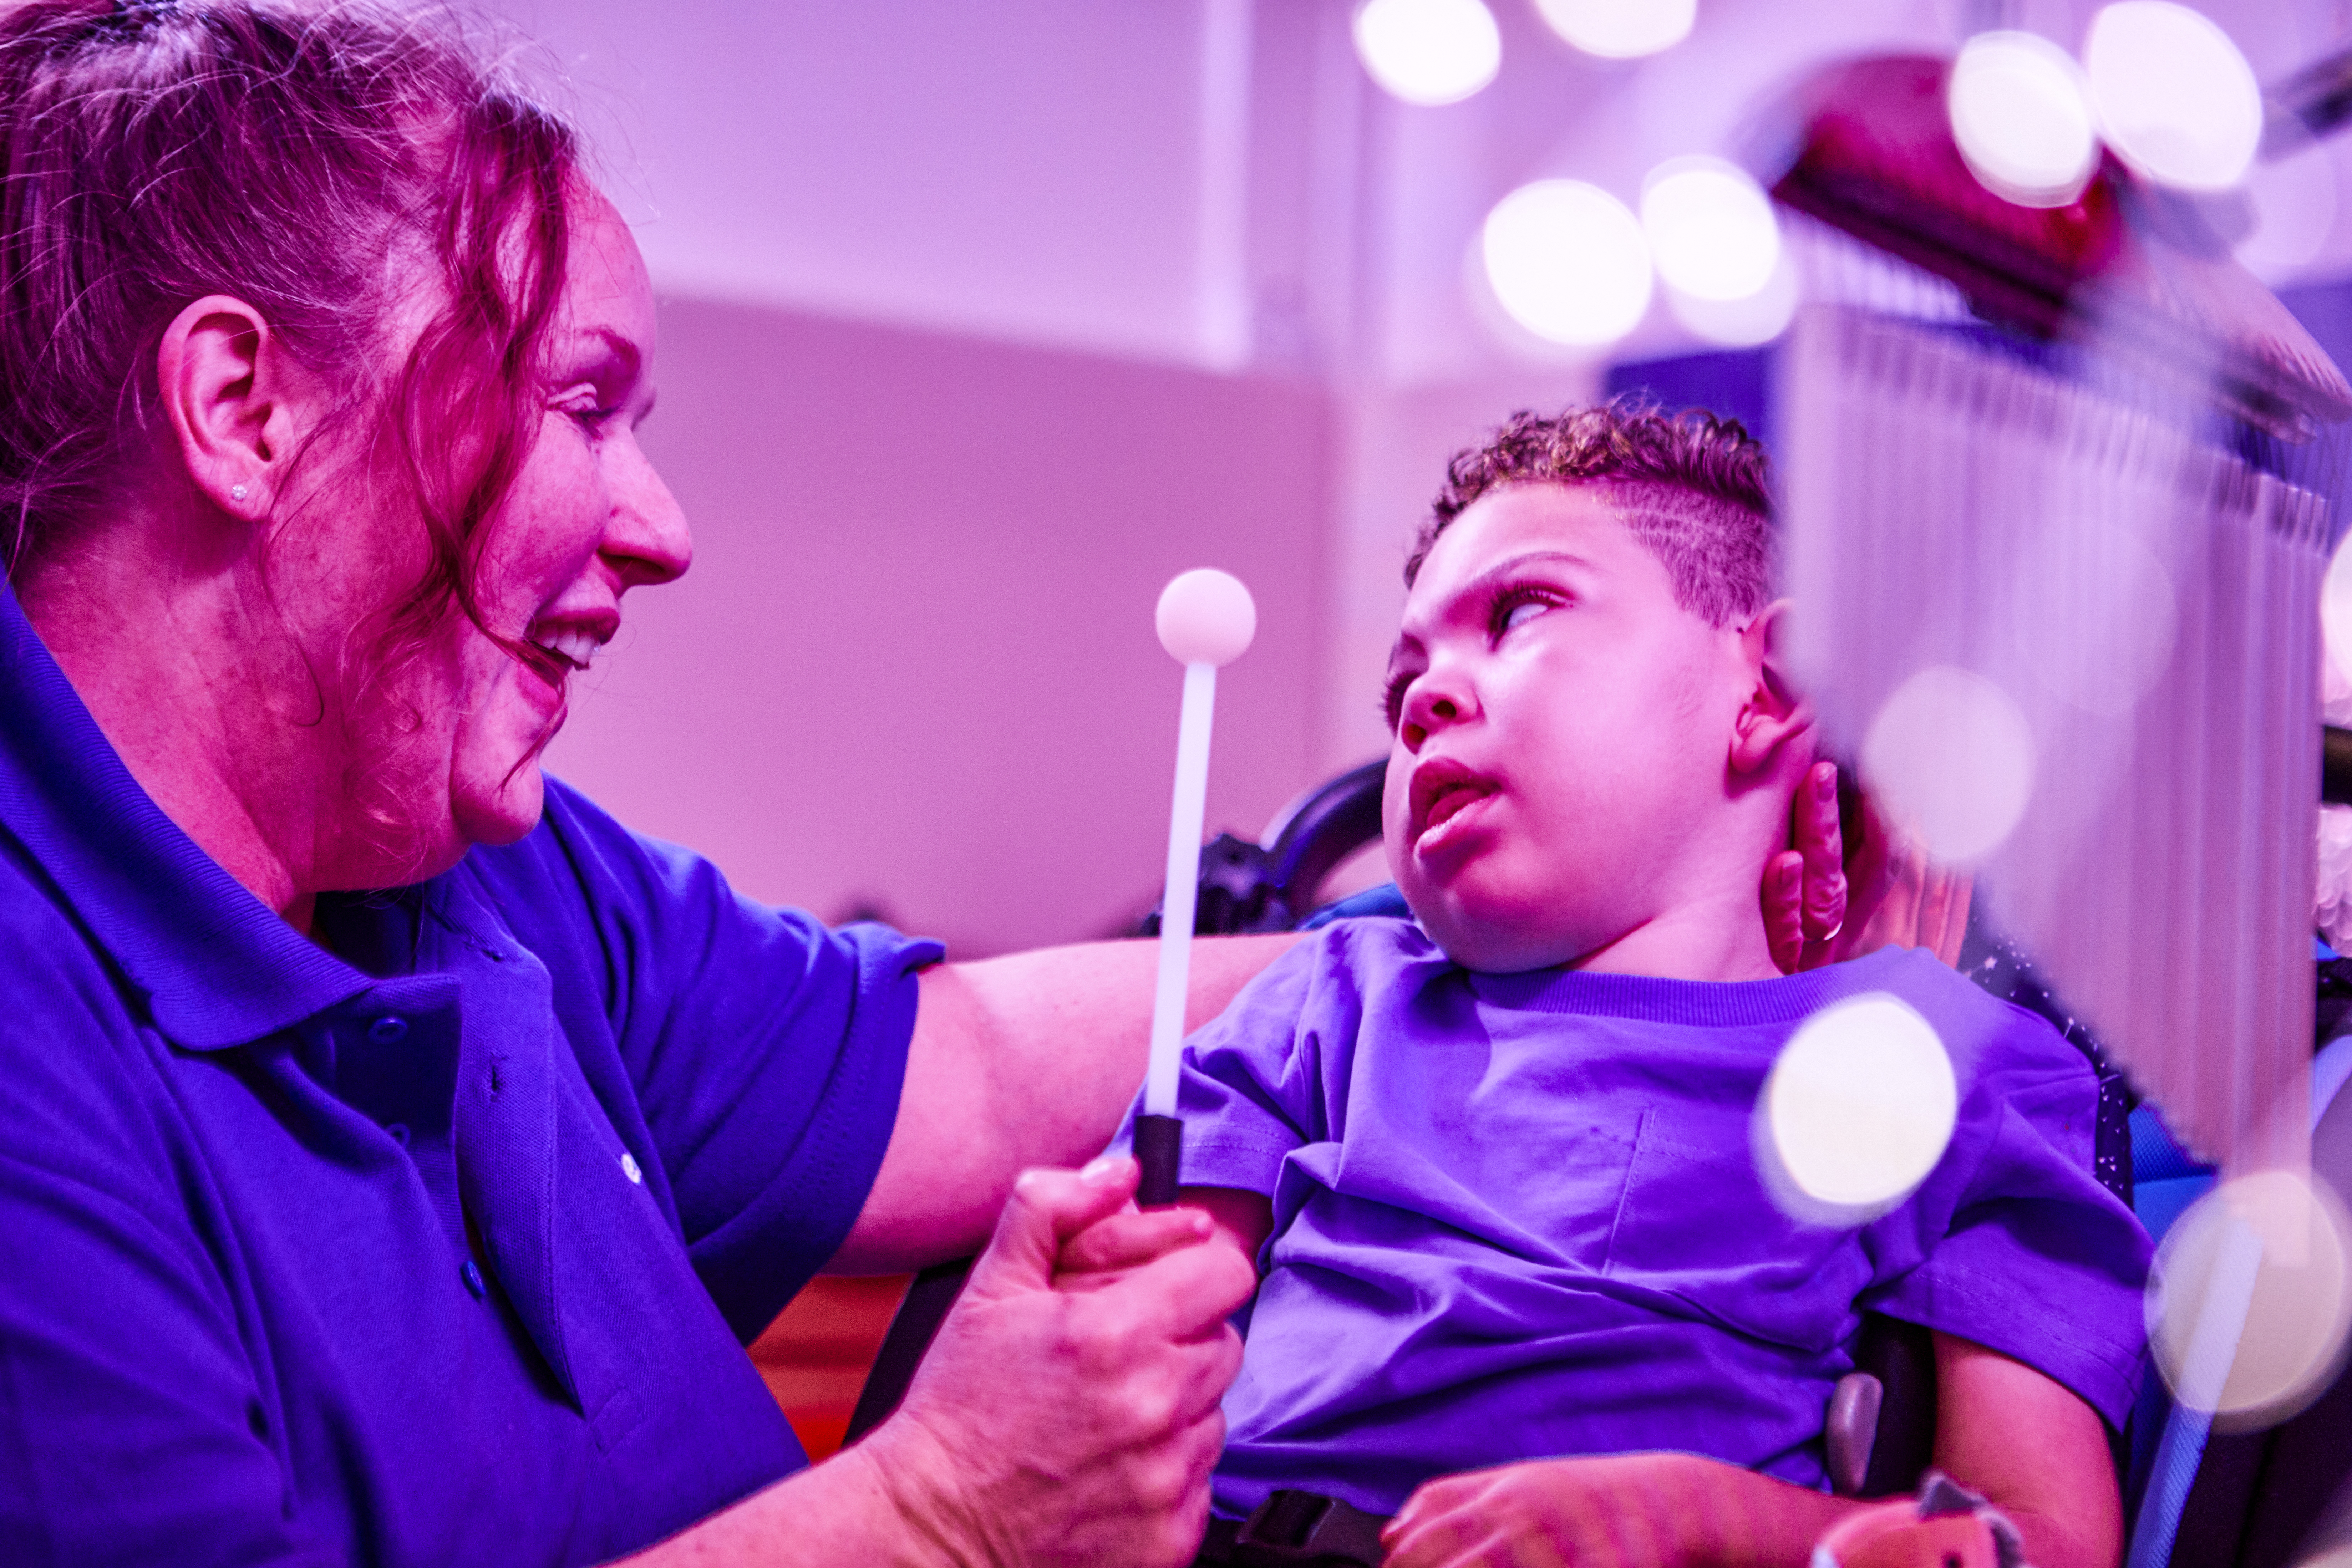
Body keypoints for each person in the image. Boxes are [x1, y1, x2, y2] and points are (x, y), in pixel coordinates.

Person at [0, 5, 1867, 1566]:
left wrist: (1623, 912)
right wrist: (937, 1503)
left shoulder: (481, 877)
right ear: (249, 412)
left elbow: (967, 1063)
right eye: (582, 405)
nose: (661, 527)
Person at [1129, 405, 2150, 1568]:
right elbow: (1118, 1392)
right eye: (1402, 682)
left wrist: (1699, 1519)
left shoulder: (1953, 1073)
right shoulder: (1322, 1003)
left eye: (1517, 613)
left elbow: (2046, 1541)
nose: (1424, 700)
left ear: (1768, 686)